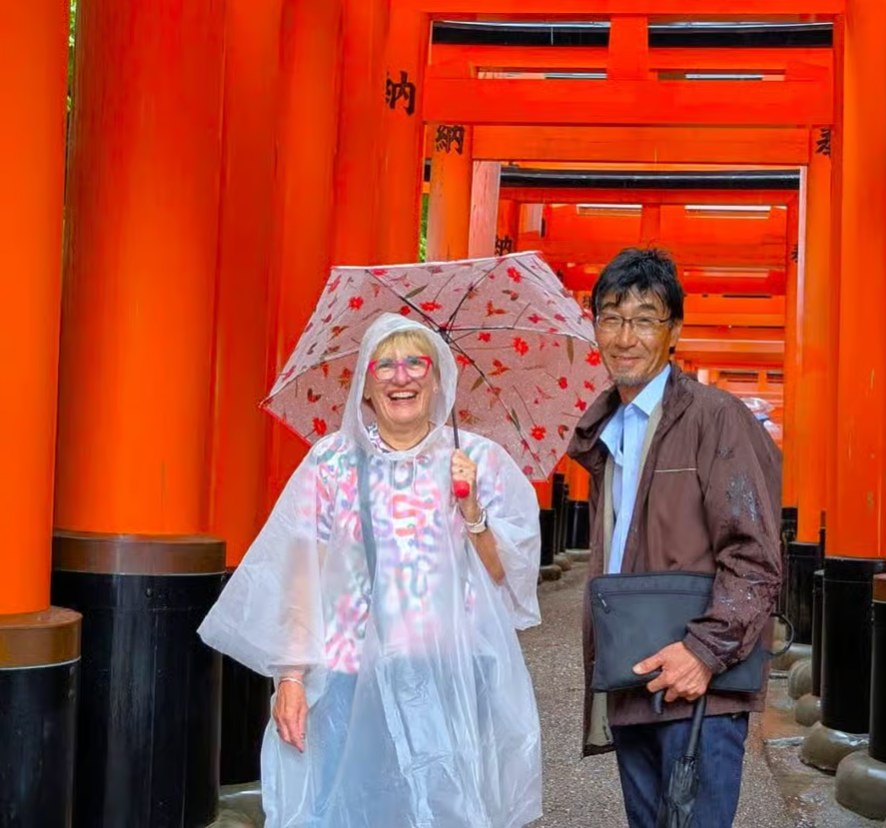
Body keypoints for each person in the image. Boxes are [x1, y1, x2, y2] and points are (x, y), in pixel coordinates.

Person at [199, 314, 543, 828]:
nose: (401, 377)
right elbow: (301, 572)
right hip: (348, 671)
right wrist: (290, 676)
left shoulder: (477, 459)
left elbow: (506, 574)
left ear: (438, 379)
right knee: (346, 805)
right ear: (364, 384)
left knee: (445, 807)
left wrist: (472, 509)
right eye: (384, 365)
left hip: (448, 668)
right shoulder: (332, 462)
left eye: (416, 363)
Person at [568, 248, 782, 827]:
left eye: (645, 319)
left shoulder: (716, 418)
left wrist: (704, 653)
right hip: (633, 670)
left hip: (697, 681)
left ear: (674, 331)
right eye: (611, 318)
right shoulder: (608, 430)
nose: (625, 337)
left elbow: (756, 555)